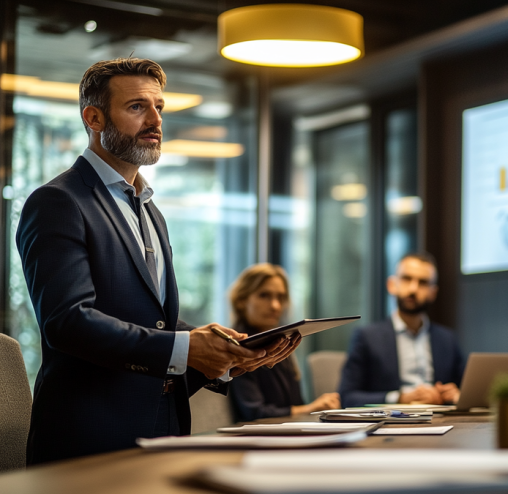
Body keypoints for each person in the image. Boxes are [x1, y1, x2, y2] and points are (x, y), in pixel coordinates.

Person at [16, 58, 299, 465]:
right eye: (136, 107)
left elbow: (153, 323)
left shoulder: (150, 209)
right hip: (91, 439)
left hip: (163, 430)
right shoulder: (58, 201)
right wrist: (186, 347)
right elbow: (69, 322)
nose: (155, 121)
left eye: (159, 108)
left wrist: (225, 356)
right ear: (93, 118)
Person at [338, 253, 466, 408]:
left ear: (433, 293)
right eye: (406, 279)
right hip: (392, 424)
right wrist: (399, 397)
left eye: (423, 282)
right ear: (392, 285)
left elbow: (466, 390)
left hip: (443, 420)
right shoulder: (367, 337)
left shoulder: (447, 339)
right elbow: (347, 397)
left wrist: (455, 394)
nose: (413, 288)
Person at [228, 264, 341, 420]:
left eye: (280, 297)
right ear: (241, 300)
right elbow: (254, 412)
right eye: (264, 295)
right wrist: (311, 408)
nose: (275, 306)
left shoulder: (280, 342)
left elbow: (295, 404)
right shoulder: (238, 348)